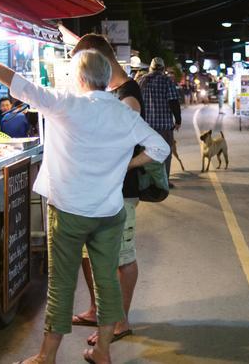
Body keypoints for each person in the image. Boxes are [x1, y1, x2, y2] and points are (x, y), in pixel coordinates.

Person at [0, 27, 169, 364]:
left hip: (69, 212)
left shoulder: (64, 104)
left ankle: (46, 356)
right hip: (110, 212)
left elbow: (17, 84)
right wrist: (125, 165)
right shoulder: (123, 113)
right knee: (106, 281)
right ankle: (102, 352)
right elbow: (160, 148)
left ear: (81, 78)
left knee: (61, 284)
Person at [66, 34, 143, 347]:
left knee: (121, 257)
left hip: (120, 191)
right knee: (89, 253)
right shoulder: (105, 91)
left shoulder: (128, 92)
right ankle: (98, 309)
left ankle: (120, 320)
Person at [139, 57, 181, 186]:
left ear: (151, 68)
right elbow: (173, 102)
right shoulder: (167, 81)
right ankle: (163, 181)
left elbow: (137, 101)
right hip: (164, 127)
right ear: (163, 69)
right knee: (165, 154)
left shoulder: (142, 81)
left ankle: (147, 181)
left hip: (146, 127)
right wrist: (178, 120)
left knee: (146, 154)